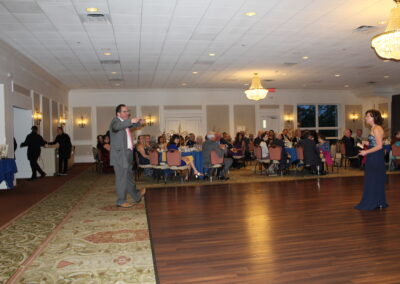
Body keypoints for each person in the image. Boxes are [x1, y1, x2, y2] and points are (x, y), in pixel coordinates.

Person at [109, 104, 146, 208]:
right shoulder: (115, 121)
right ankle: (121, 201)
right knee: (121, 178)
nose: (127, 113)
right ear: (118, 114)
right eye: (124, 111)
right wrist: (131, 121)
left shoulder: (124, 124)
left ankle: (137, 195)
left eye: (127, 111)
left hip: (127, 154)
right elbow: (117, 127)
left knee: (129, 176)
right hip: (120, 155)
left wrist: (138, 123)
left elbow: (131, 126)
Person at [355, 110, 388, 210]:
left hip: (375, 156)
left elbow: (379, 146)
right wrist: (366, 143)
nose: (366, 118)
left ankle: (375, 202)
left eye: (368, 116)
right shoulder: (373, 128)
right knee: (373, 178)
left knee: (374, 178)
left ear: (374, 118)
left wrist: (366, 152)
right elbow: (374, 144)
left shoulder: (377, 128)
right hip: (373, 155)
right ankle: (378, 201)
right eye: (366, 116)